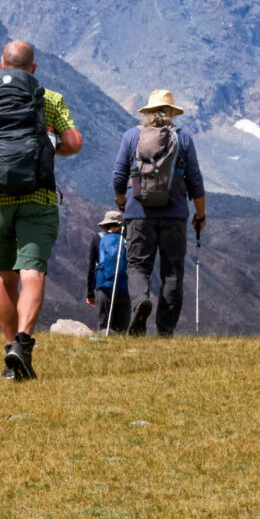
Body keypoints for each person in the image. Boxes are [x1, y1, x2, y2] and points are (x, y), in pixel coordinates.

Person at [0, 39, 82, 380]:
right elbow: (74, 142)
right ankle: (23, 345)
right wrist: (44, 147)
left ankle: (8, 348)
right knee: (33, 272)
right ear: (33, 69)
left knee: (5, 276)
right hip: (38, 197)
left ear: (0, 66)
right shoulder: (48, 99)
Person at [112, 89, 206, 337]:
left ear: (148, 113)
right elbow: (196, 180)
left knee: (138, 267)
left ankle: (140, 303)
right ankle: (165, 330)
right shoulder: (183, 140)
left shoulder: (132, 136)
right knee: (172, 271)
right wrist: (200, 215)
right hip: (174, 214)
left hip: (138, 212)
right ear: (173, 114)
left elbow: (118, 176)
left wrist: (122, 202)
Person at [86, 210, 130, 333]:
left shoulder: (97, 239)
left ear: (105, 225)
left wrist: (90, 292)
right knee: (121, 331)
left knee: (104, 327)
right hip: (125, 289)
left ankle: (103, 349)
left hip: (103, 289)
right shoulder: (128, 240)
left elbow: (91, 267)